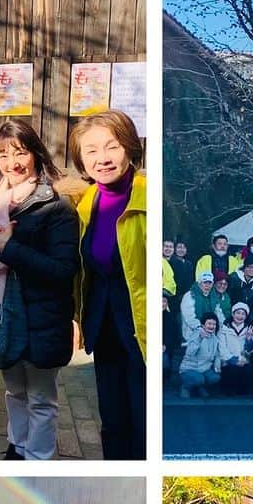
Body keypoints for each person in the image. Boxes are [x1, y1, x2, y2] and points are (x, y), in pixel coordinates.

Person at [0, 119, 80, 460]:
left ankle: (39, 458)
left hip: (41, 317)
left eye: (20, 152)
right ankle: (17, 448)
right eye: (2, 154)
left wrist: (9, 249)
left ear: (35, 153)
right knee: (14, 391)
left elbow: (63, 270)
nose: (12, 163)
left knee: (41, 398)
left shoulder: (55, 206)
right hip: (3, 312)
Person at [71, 110, 147, 460]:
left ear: (130, 147)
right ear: (81, 160)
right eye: (91, 151)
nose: (102, 158)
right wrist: (77, 316)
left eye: (111, 147)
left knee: (144, 423)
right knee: (113, 421)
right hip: (105, 328)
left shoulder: (149, 198)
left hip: (143, 330)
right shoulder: (87, 204)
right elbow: (84, 271)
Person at [179, 315, 222, 398]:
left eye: (214, 324)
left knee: (215, 377)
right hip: (189, 368)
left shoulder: (215, 339)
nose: (212, 326)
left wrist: (217, 366)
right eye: (209, 324)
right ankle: (185, 387)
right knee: (199, 379)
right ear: (203, 325)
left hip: (204, 369)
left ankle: (200, 387)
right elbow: (189, 353)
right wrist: (199, 339)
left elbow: (217, 355)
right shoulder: (196, 335)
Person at [218, 302, 253, 394]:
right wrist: (234, 360)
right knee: (231, 370)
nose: (240, 316)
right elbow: (222, 349)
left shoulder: (249, 329)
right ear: (233, 314)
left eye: (243, 314)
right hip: (228, 360)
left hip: (243, 360)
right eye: (238, 313)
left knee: (248, 369)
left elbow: (250, 350)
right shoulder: (224, 329)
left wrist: (249, 339)